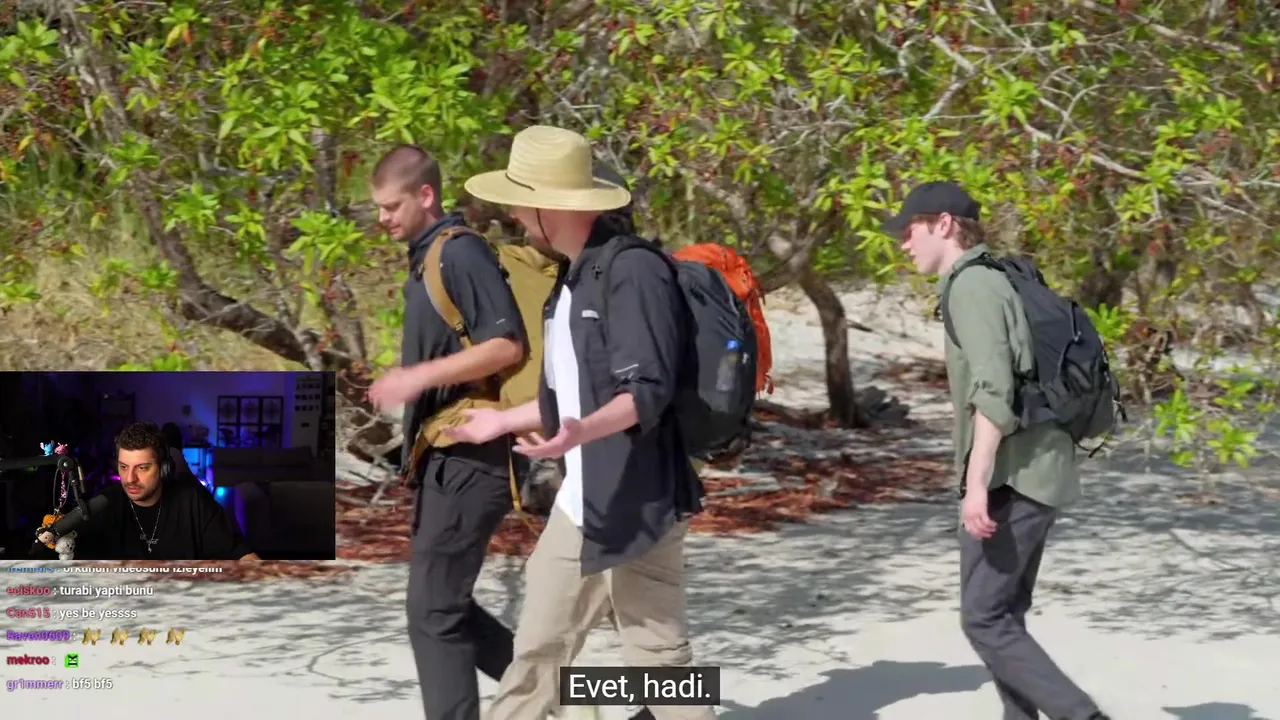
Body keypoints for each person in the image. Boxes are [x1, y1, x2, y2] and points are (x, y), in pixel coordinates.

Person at [448, 125, 712, 720]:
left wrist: (579, 434)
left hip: (642, 500)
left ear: (552, 205)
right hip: (582, 501)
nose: (514, 215)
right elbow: (570, 398)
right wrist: (499, 422)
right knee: (537, 651)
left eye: (520, 202)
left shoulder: (635, 271)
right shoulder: (570, 277)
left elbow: (645, 392)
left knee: (660, 664)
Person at [883, 180, 1111, 720]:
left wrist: (976, 485)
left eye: (910, 230)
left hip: (1015, 472)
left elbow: (994, 392)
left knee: (984, 618)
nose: (903, 243)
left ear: (943, 225)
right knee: (1004, 615)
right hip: (1039, 465)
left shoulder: (972, 286)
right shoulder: (992, 277)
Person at [364, 144, 527, 720]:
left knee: (433, 613)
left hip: (474, 455)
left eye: (391, 206)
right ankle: (568, 696)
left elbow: (506, 344)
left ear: (426, 194)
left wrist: (417, 377)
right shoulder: (426, 259)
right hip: (445, 457)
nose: (382, 218)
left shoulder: (459, 253)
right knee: (446, 608)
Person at [67, 422, 259, 561]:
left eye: (142, 468)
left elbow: (243, 557)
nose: (130, 478)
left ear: (164, 469)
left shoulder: (193, 501)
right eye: (124, 467)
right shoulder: (104, 504)